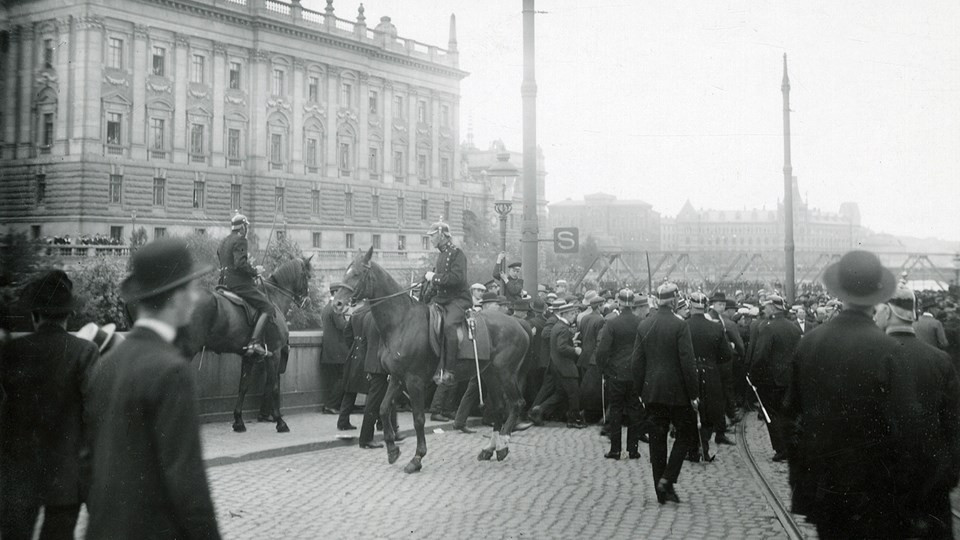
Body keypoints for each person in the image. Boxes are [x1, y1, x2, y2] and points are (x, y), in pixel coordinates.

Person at [85, 238, 221, 539]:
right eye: (191, 288)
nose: (195, 297)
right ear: (175, 297)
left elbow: (90, 462)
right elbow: (187, 482)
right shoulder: (172, 371)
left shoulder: (107, 364)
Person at [785, 250, 900, 538]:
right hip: (873, 486)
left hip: (823, 482)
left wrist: (801, 479)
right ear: (877, 297)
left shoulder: (809, 343)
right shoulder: (890, 350)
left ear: (840, 292)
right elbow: (902, 425)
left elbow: (790, 415)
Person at [0, 270, 99, 540]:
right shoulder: (85, 352)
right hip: (66, 477)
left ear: (34, 315)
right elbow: (94, 415)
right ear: (68, 315)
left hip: (17, 476)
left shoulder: (11, 352)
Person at [875, 284, 960, 538]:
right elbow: (954, 423)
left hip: (886, 483)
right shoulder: (940, 360)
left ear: (889, 313)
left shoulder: (872, 356)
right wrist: (949, 474)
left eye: (877, 310)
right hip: (932, 481)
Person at [633, 282, 699, 504]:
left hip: (652, 391)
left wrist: (641, 390)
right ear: (673, 301)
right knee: (686, 434)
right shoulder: (680, 325)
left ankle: (660, 490)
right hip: (678, 392)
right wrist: (693, 394)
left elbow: (637, 362)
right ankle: (669, 478)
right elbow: (687, 363)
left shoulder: (644, 324)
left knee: (657, 439)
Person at [746, 294, 801, 462]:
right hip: (790, 378)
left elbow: (760, 355)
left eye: (767, 306)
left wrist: (753, 376)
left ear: (774, 308)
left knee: (772, 414)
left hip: (773, 380)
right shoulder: (794, 327)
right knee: (789, 414)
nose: (764, 308)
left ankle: (781, 448)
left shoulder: (768, 328)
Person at [421, 218, 472, 386]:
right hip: (442, 300)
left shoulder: (457, 253)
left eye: (433, 235)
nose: (431, 239)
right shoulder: (442, 255)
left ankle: (450, 370)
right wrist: (424, 298)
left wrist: (434, 277)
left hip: (458, 300)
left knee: (449, 325)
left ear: (442, 235)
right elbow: (439, 285)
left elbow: (457, 279)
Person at [595, 290, 644, 460]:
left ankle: (615, 449)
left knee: (615, 410)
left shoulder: (612, 323)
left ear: (620, 303)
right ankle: (633, 449)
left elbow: (602, 350)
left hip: (616, 373)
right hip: (635, 373)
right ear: (633, 304)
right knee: (634, 410)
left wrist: (603, 368)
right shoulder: (641, 322)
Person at [686, 292, 733, 462]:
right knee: (708, 413)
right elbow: (726, 355)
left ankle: (691, 450)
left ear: (690, 307)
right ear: (706, 307)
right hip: (711, 374)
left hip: (689, 374)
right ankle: (703, 448)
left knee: (690, 412)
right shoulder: (716, 327)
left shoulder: (683, 326)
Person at [217, 213, 272, 356]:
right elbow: (239, 264)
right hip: (238, 285)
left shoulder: (223, 242)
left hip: (223, 283)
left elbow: (227, 263)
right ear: (242, 227)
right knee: (267, 307)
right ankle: (255, 342)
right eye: (246, 226)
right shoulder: (241, 240)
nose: (246, 229)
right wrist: (255, 271)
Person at [530, 300, 586, 428]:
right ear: (565, 314)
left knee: (560, 393)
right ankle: (573, 420)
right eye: (572, 314)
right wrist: (575, 350)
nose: (574, 316)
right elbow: (561, 347)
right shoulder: (563, 328)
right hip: (565, 367)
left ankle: (539, 409)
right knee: (574, 394)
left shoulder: (558, 326)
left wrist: (571, 340)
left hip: (556, 366)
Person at [320, 283, 350, 414]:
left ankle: (331, 405)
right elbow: (342, 326)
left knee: (335, 380)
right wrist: (352, 321)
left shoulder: (327, 307)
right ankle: (331, 405)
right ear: (336, 292)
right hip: (339, 351)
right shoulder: (336, 308)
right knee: (343, 378)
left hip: (329, 350)